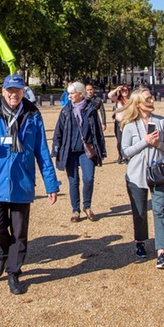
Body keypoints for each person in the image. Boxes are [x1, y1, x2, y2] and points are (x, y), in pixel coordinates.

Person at [0, 74, 60, 296]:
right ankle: (3, 252)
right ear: (3, 91)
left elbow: (42, 152)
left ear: (23, 91)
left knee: (19, 233)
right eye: (9, 90)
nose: (13, 94)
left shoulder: (33, 115)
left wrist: (51, 184)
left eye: (17, 90)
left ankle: (13, 273)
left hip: (22, 181)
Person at [119, 86, 164, 269]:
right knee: (140, 212)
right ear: (138, 104)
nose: (152, 101)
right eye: (148, 99)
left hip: (158, 172)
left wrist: (158, 143)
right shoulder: (129, 125)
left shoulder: (160, 121)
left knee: (159, 211)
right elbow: (125, 151)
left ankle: (162, 252)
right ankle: (140, 241)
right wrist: (145, 142)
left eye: (152, 98)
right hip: (136, 175)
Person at [52, 81, 105, 223]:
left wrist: (102, 150)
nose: (69, 96)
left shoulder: (91, 109)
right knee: (73, 181)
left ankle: (87, 206)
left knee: (88, 178)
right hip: (69, 151)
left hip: (86, 151)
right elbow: (59, 132)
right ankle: (75, 210)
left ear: (81, 94)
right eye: (68, 94)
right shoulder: (65, 110)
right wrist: (55, 150)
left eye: (72, 93)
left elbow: (98, 131)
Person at [108, 84, 131, 163]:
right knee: (119, 141)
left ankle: (126, 156)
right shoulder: (118, 99)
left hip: (128, 123)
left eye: (125, 90)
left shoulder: (131, 100)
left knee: (128, 140)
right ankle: (120, 155)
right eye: (122, 91)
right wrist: (117, 89)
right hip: (119, 122)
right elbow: (110, 95)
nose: (124, 92)